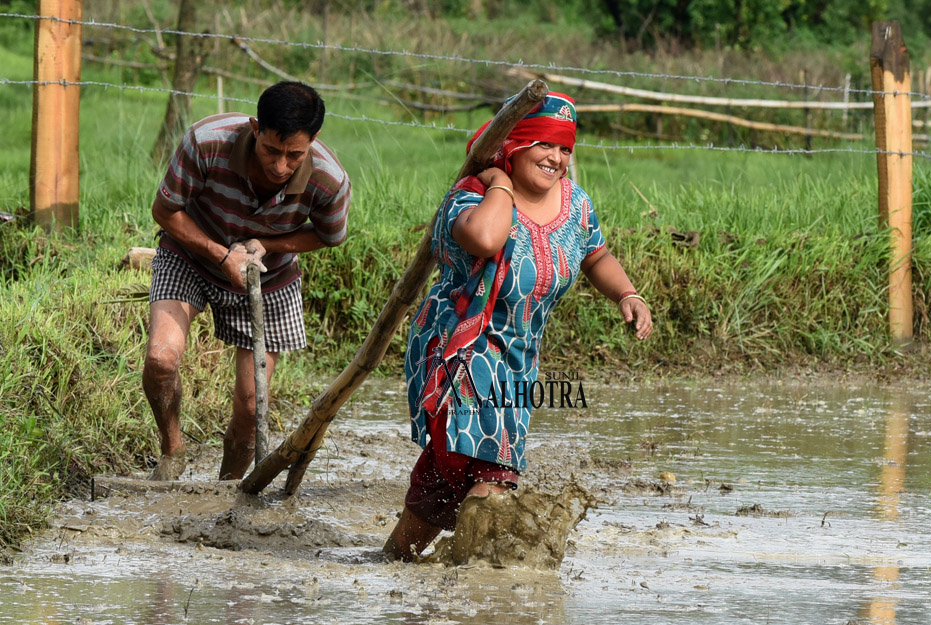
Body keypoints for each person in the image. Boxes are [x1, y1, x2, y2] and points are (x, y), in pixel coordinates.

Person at [383, 92, 652, 561]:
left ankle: (399, 562)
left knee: (453, 473)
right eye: (545, 145)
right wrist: (498, 182)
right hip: (458, 353)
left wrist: (627, 294)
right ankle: (482, 585)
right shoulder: (469, 197)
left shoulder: (576, 205)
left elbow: (596, 255)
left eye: (565, 148)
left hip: (518, 362)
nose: (557, 158)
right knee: (488, 469)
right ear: (515, 145)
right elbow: (487, 238)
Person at [143, 81, 351, 481]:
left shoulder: (329, 180)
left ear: (314, 141)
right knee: (161, 359)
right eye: (271, 150)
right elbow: (165, 210)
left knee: (252, 406)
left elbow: (328, 236)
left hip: (268, 276)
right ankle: (172, 452)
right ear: (255, 127)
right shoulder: (206, 143)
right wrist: (221, 255)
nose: (280, 166)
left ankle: (229, 489)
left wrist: (266, 244)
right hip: (190, 254)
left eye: (294, 155)